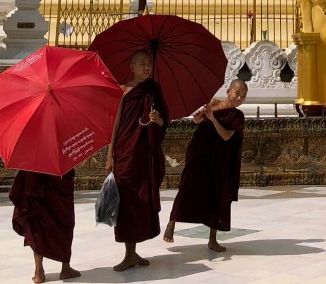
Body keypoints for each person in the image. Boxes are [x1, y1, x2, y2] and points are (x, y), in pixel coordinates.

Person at [163, 78, 247, 254]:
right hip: (200, 151)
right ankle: (171, 223)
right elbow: (196, 121)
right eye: (237, 93)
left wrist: (213, 119)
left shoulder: (238, 116)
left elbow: (225, 136)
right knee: (187, 186)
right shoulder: (213, 103)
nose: (239, 98)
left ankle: (212, 239)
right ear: (228, 92)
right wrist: (200, 115)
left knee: (217, 194)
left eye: (243, 96)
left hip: (220, 157)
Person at [105, 49, 169, 271]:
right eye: (142, 63)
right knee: (126, 203)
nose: (147, 67)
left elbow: (164, 122)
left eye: (148, 63)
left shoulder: (154, 91)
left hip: (145, 156)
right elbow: (114, 126)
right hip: (124, 155)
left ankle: (134, 252)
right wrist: (110, 155)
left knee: (141, 202)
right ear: (132, 67)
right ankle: (128, 254)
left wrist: (158, 119)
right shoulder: (123, 91)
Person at [8, 169, 80, 284]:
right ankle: (65, 267)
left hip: (36, 171)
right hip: (58, 175)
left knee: (37, 222)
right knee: (63, 219)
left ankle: (39, 271)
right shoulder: (62, 150)